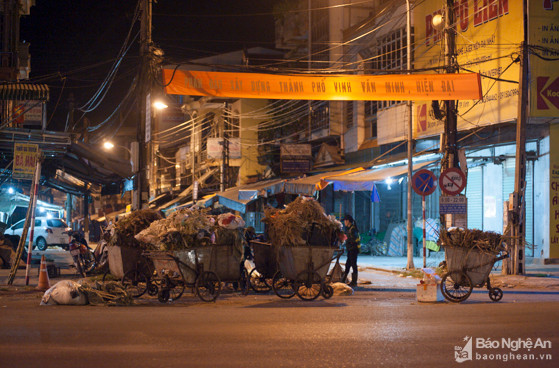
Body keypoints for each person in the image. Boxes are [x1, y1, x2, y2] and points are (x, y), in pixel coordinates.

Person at [342, 214, 360, 287]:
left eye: (345, 221)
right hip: (350, 249)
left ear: (348, 221)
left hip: (353, 249)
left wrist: (346, 239)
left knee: (353, 265)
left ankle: (354, 282)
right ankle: (343, 280)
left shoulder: (353, 229)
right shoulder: (349, 229)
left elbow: (353, 239)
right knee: (348, 265)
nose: (344, 223)